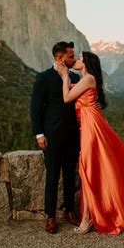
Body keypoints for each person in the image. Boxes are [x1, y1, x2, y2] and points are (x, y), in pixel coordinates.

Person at [55, 51, 124, 235]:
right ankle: (92, 215)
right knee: (89, 170)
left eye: (80, 59)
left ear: (86, 64)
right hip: (88, 125)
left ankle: (87, 219)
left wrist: (65, 76)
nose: (76, 60)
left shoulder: (88, 78)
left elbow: (67, 98)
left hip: (91, 126)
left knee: (88, 170)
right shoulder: (87, 79)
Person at [30, 41, 81, 234]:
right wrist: (39, 134)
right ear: (60, 58)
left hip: (72, 135)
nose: (73, 58)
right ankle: (50, 216)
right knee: (52, 175)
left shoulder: (75, 76)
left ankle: (69, 211)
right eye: (70, 56)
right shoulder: (44, 78)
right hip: (51, 136)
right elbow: (35, 108)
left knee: (70, 175)